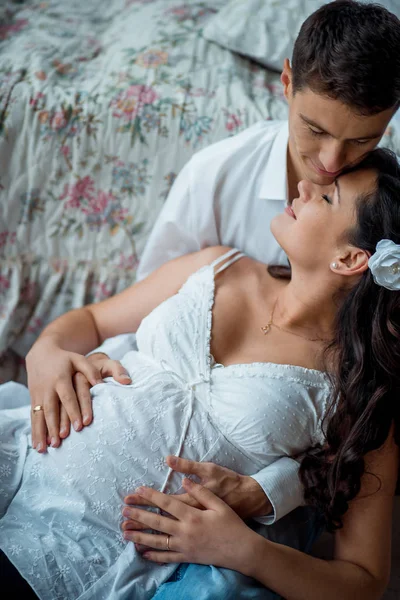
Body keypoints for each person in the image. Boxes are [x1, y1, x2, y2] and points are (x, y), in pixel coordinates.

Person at [20, 1, 400, 598]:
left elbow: (356, 477)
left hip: (203, 528)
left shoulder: (376, 224)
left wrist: (273, 491)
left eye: (361, 141)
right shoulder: (217, 187)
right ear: (286, 83)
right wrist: (50, 349)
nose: (328, 167)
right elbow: (129, 323)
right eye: (316, 131)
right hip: (72, 450)